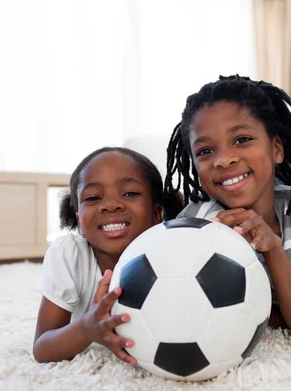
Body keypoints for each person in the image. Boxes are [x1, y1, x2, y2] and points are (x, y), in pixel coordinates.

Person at [164, 75, 291, 341]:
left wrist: (272, 247)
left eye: (241, 139)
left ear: (276, 150)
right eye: (205, 151)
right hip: (285, 297)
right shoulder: (198, 224)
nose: (224, 160)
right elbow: (195, 316)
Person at [33, 147, 183, 364]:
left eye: (130, 193)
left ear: (156, 213)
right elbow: (42, 349)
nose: (110, 205)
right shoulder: (69, 255)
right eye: (93, 197)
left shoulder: (174, 252)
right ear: (78, 221)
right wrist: (86, 329)